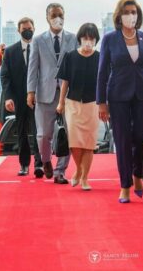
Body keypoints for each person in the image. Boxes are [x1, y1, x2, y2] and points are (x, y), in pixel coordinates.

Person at [98, 0, 143, 202]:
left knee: (142, 138)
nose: (130, 15)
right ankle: (125, 185)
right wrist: (101, 102)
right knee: (123, 140)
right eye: (126, 12)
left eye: (133, 11)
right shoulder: (109, 39)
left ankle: (138, 174)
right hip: (118, 96)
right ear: (119, 15)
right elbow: (102, 72)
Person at [27, 3, 77, 183]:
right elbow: (33, 68)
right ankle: (46, 160)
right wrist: (30, 91)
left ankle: (60, 171)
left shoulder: (73, 38)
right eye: (54, 15)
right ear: (47, 17)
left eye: (61, 15)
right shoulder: (38, 40)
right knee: (44, 134)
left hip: (68, 94)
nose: (58, 19)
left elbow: (76, 65)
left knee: (67, 133)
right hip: (44, 93)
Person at [57, 23, 101, 190]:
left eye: (91, 38)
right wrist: (61, 102)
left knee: (89, 143)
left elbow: (105, 83)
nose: (88, 41)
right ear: (80, 39)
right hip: (73, 104)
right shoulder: (70, 56)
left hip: (93, 104)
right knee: (75, 142)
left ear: (96, 40)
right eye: (85, 38)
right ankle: (79, 170)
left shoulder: (100, 57)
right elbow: (65, 82)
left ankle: (84, 177)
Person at [1, 18, 42, 176]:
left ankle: (39, 164)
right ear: (18, 31)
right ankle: (24, 165)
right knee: (22, 131)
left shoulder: (41, 48)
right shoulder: (10, 52)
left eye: (30, 28)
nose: (27, 30)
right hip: (19, 98)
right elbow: (5, 77)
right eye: (24, 28)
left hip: (39, 98)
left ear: (34, 28)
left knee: (39, 131)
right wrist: (8, 97)